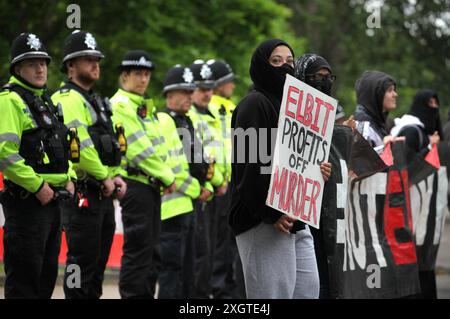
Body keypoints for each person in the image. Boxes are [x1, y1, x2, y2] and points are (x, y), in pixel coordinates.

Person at [230, 39, 331, 299]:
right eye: (276, 61)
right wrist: (271, 213)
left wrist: (317, 170)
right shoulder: (254, 104)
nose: (285, 67)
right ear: (261, 66)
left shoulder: (295, 108)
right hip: (262, 219)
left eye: (289, 61)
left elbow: (297, 158)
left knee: (308, 292)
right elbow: (247, 167)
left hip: (296, 217)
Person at [0, 33, 77, 298]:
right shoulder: (9, 100)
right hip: (27, 205)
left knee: (44, 283)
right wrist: (38, 186)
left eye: (43, 62)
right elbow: (4, 154)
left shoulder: (44, 102)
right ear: (17, 68)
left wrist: (69, 177)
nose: (40, 68)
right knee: (25, 285)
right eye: (32, 63)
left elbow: (61, 152)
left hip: (53, 204)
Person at [52, 30, 127, 299]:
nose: (95, 64)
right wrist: (106, 178)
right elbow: (81, 146)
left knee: (96, 270)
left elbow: (113, 145)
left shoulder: (96, 100)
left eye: (97, 58)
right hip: (84, 194)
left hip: (102, 195)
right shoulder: (67, 99)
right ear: (70, 66)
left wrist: (115, 175)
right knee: (80, 267)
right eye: (87, 59)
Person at [109, 50, 176, 299]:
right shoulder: (121, 105)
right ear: (124, 76)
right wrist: (168, 176)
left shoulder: (142, 107)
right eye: (138, 73)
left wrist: (162, 176)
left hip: (150, 186)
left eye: (147, 74)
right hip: (136, 185)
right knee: (138, 252)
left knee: (151, 253)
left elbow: (159, 147)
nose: (143, 79)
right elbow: (140, 151)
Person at [157, 64, 213, 298]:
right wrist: (197, 189)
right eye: (185, 92)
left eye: (192, 92)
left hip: (188, 206)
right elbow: (171, 165)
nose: (190, 96)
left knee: (189, 271)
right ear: (170, 94)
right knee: (172, 273)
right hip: (172, 209)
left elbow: (201, 162)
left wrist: (207, 185)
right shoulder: (164, 120)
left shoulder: (185, 121)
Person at [390, 89, 442, 299]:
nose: (434, 108)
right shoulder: (411, 131)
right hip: (410, 214)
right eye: (429, 103)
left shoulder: (418, 130)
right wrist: (430, 146)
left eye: (435, 103)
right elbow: (404, 169)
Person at [294, 53, 337, 299]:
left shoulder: (329, 114)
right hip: (296, 209)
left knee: (324, 270)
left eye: (328, 77)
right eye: (317, 77)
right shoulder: (286, 111)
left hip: (324, 209)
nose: (324, 82)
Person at [187, 59, 226, 298]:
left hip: (216, 190)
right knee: (199, 252)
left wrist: (223, 181)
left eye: (210, 88)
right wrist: (216, 181)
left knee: (211, 251)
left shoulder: (212, 115)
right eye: (202, 89)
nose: (207, 94)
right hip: (199, 190)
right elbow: (199, 158)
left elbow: (219, 155)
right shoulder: (188, 117)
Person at [206, 59, 243, 298]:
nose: (231, 84)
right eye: (227, 80)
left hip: (225, 182)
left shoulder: (228, 106)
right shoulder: (220, 108)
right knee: (223, 241)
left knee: (224, 240)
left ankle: (224, 289)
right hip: (221, 184)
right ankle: (222, 290)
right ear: (218, 84)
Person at [353, 71, 398, 154]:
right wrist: (384, 148)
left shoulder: (378, 122)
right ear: (376, 94)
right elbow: (359, 161)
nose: (395, 94)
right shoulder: (362, 125)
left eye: (394, 90)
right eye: (389, 90)